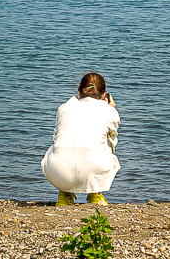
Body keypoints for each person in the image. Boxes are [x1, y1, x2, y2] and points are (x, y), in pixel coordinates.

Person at [41, 72, 120, 206]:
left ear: (79, 92)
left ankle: (64, 195)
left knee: (60, 141)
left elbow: (56, 137)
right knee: (107, 141)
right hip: (95, 168)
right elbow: (112, 136)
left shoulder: (63, 108)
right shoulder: (108, 110)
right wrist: (110, 108)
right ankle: (96, 195)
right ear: (103, 95)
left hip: (57, 172)